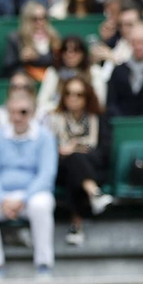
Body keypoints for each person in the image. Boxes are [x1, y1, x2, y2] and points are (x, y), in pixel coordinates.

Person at [0, 91, 59, 278]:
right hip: (3, 196)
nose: (17, 117)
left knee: (41, 204)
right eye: (13, 112)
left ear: (32, 112)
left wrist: (25, 198)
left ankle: (43, 264)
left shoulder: (45, 137)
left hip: (32, 196)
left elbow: (47, 173)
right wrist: (1, 199)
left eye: (23, 112)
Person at [51, 79, 115, 247]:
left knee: (76, 163)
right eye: (68, 94)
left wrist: (75, 148)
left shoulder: (98, 119)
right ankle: (94, 193)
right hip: (61, 171)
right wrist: (73, 150)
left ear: (87, 97)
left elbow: (103, 154)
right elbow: (50, 151)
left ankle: (76, 225)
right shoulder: (54, 119)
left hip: (94, 169)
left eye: (79, 94)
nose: (73, 98)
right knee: (73, 163)